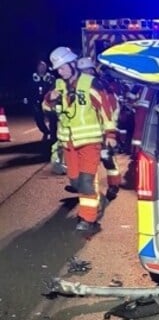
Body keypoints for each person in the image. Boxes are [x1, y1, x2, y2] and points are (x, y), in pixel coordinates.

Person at [42, 47, 119, 231]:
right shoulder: (58, 85)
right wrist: (50, 99)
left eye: (63, 67)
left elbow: (107, 107)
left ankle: (88, 219)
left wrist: (110, 134)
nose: (61, 71)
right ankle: (93, 204)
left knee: (86, 182)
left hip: (89, 142)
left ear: (73, 63)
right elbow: (45, 107)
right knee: (75, 181)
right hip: (68, 143)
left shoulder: (91, 83)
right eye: (58, 69)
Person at [78, 56, 122, 199]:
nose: (85, 74)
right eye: (82, 71)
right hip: (88, 134)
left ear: (92, 70)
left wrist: (110, 132)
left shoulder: (101, 86)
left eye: (87, 71)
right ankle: (83, 187)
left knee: (107, 159)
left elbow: (111, 109)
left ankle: (114, 185)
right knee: (87, 165)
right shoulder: (79, 88)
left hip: (103, 131)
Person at [29, 60, 56, 141]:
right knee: (39, 119)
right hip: (37, 102)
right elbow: (28, 89)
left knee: (52, 119)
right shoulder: (33, 78)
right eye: (40, 67)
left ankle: (53, 135)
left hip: (49, 102)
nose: (42, 69)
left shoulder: (50, 78)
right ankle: (45, 131)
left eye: (43, 67)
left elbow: (54, 88)